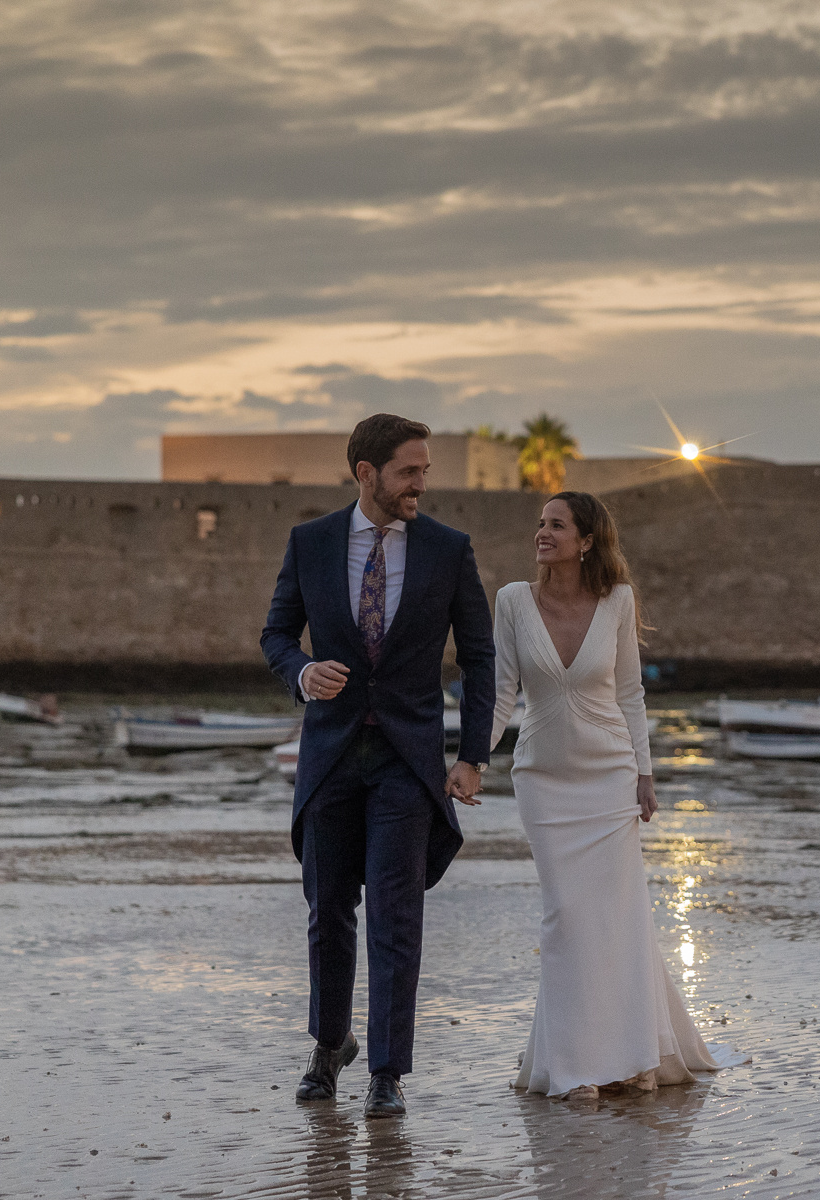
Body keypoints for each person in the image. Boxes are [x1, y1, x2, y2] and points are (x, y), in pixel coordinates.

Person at [261, 414, 496, 1119]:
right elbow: (277, 634)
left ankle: (387, 1072)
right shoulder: (310, 542)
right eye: (408, 471)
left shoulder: (448, 550)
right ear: (366, 473)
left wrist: (473, 756)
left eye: (425, 470)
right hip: (330, 755)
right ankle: (329, 1048)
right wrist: (302, 673)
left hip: (406, 760)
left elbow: (479, 658)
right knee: (328, 908)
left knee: (397, 916)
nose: (420, 483)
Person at [491, 490, 745, 1100]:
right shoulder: (513, 601)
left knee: (617, 918)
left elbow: (630, 693)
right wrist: (471, 759)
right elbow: (500, 692)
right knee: (565, 916)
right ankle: (575, 1065)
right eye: (541, 523)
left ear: (586, 541)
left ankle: (633, 1058)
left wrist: (644, 774)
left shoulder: (618, 602)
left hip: (609, 776)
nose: (542, 533)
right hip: (543, 779)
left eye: (557, 525)